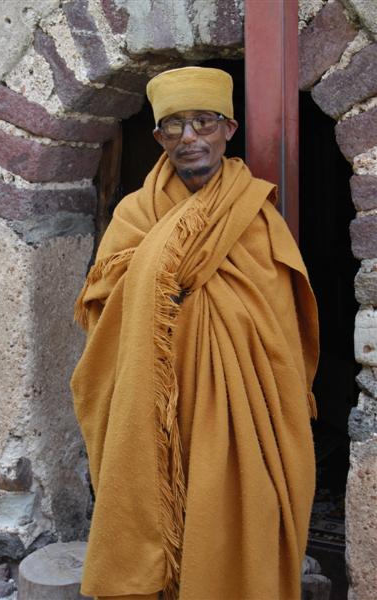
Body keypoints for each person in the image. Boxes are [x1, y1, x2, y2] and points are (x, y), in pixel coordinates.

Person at [71, 66, 319, 600]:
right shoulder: (135, 212)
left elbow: (280, 327)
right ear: (158, 137)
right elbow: (101, 304)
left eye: (203, 122)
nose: (190, 138)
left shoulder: (257, 217)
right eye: (174, 126)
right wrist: (157, 283)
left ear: (229, 129)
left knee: (231, 510)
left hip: (237, 407)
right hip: (150, 405)